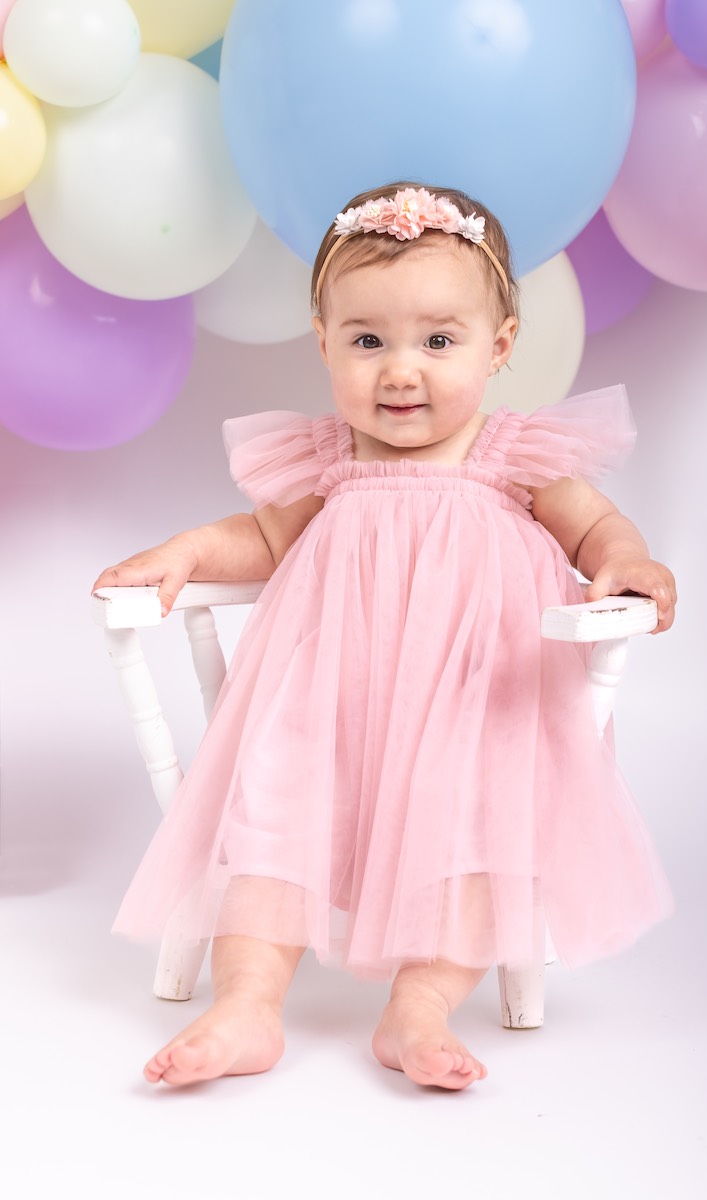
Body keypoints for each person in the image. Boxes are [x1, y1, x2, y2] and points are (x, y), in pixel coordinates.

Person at [94, 182, 676, 1091]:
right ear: (324, 344)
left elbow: (595, 528)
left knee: (474, 842)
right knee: (269, 824)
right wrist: (189, 550)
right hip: (326, 709)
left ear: (500, 347)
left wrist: (629, 561)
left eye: (439, 341)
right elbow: (265, 541)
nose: (401, 370)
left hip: (475, 707)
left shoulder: (513, 454)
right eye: (368, 341)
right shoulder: (329, 459)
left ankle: (422, 1006)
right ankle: (247, 1005)